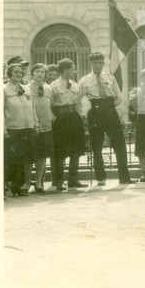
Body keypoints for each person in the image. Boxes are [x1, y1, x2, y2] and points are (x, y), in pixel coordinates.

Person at [78, 52, 135, 185]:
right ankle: (100, 177)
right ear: (90, 64)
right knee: (96, 146)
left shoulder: (110, 77)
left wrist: (109, 108)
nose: (98, 65)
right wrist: (84, 116)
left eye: (100, 63)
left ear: (103, 64)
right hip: (95, 112)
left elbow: (118, 98)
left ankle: (124, 177)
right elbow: (77, 100)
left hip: (110, 110)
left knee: (120, 144)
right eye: (95, 63)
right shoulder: (85, 80)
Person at [50, 59, 87, 191]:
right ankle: (59, 180)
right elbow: (49, 105)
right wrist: (54, 119)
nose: (75, 71)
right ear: (65, 70)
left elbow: (78, 103)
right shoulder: (53, 86)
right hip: (61, 119)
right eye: (72, 69)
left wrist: (82, 117)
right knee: (60, 150)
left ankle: (73, 179)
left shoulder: (75, 85)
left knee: (76, 149)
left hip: (74, 119)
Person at [4, 64, 38, 196]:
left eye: (21, 72)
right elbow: (0, 110)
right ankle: (12, 185)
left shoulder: (26, 89)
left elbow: (32, 108)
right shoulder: (4, 90)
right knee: (14, 158)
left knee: (25, 158)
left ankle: (19, 185)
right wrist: (4, 129)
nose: (19, 74)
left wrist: (35, 124)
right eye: (16, 72)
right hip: (13, 128)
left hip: (27, 127)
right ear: (9, 74)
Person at [29, 63, 54, 193]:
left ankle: (38, 183)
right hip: (32, 126)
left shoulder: (48, 88)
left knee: (42, 156)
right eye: (37, 71)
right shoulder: (27, 88)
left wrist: (51, 117)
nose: (40, 74)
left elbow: (51, 105)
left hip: (46, 127)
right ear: (32, 73)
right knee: (30, 156)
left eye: (42, 72)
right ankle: (26, 183)